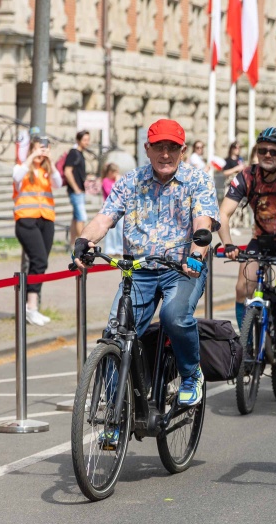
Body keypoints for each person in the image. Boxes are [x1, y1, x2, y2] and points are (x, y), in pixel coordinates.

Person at [73, 118, 218, 409]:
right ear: (147, 148)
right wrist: (84, 240)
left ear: (183, 150)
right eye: (159, 147)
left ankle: (191, 374)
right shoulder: (129, 181)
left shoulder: (198, 179)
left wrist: (196, 253)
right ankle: (115, 412)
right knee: (116, 334)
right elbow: (105, 217)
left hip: (182, 270)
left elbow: (203, 222)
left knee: (174, 317)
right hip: (138, 272)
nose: (165, 154)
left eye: (172, 148)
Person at [218, 127, 276, 361]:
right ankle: (246, 346)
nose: (267, 155)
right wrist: (228, 244)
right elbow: (224, 214)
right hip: (261, 240)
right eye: (262, 151)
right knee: (242, 288)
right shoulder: (247, 176)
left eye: (273, 152)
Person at [13, 136, 63, 326]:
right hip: (26, 219)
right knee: (38, 260)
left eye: (44, 149)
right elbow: (16, 177)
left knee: (40, 264)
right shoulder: (22, 168)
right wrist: (31, 156)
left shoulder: (46, 171)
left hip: (46, 219)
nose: (41, 153)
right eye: (38, 149)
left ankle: (32, 307)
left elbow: (58, 183)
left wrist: (51, 162)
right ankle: (29, 307)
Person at [63, 130, 90, 241]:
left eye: (88, 140)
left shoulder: (80, 153)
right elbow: (67, 171)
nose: (87, 142)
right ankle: (82, 243)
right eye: (85, 140)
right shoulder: (73, 153)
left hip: (79, 190)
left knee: (76, 217)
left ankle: (72, 243)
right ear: (78, 140)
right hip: (75, 191)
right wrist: (76, 188)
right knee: (81, 217)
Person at [100, 162, 123, 256]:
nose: (116, 175)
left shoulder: (117, 181)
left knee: (120, 228)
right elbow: (110, 192)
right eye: (115, 172)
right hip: (109, 207)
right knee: (111, 230)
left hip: (119, 206)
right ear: (110, 172)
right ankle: (110, 249)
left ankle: (119, 249)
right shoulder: (105, 181)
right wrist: (117, 182)